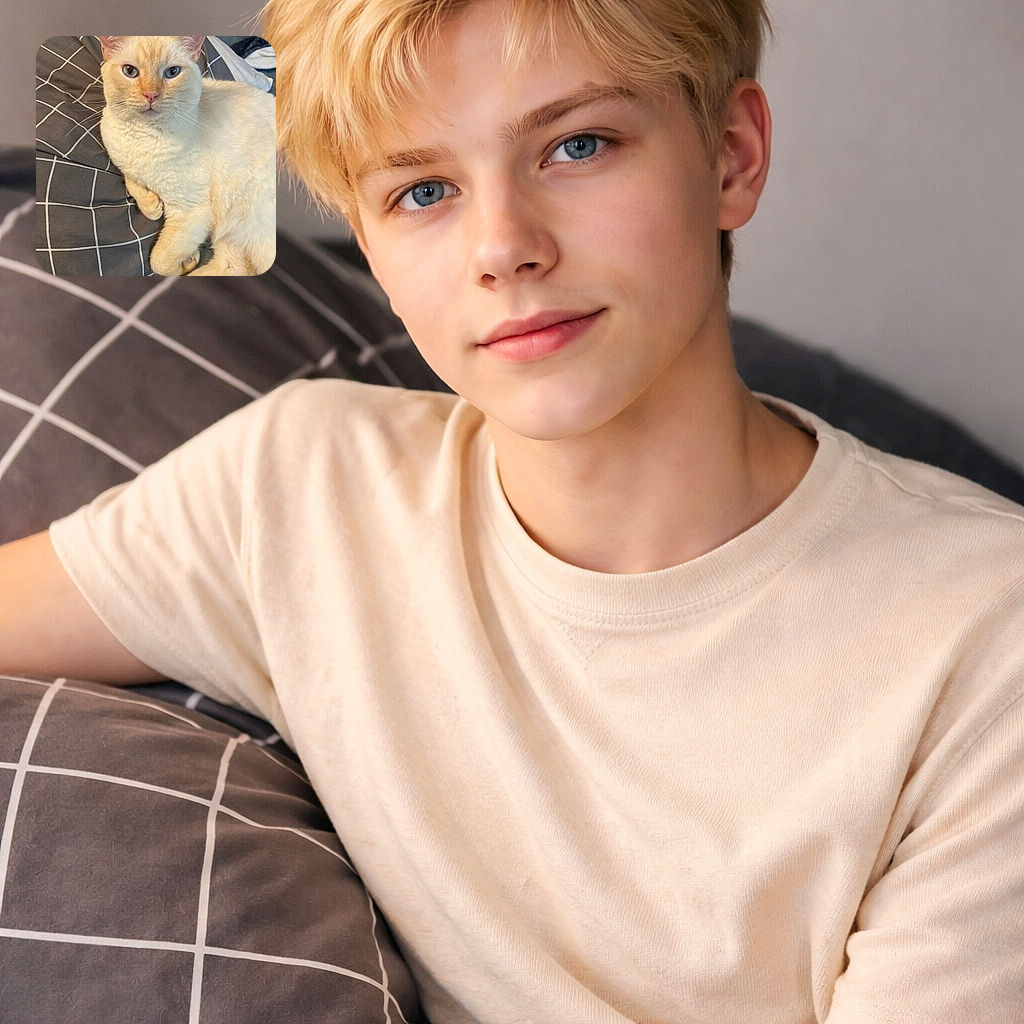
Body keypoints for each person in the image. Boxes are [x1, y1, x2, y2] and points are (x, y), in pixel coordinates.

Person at [2, 1, 1022, 1021]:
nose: (504, 247)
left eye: (578, 145)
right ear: (369, 244)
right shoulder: (297, 488)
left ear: (731, 156)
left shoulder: (985, 632)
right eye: (422, 191)